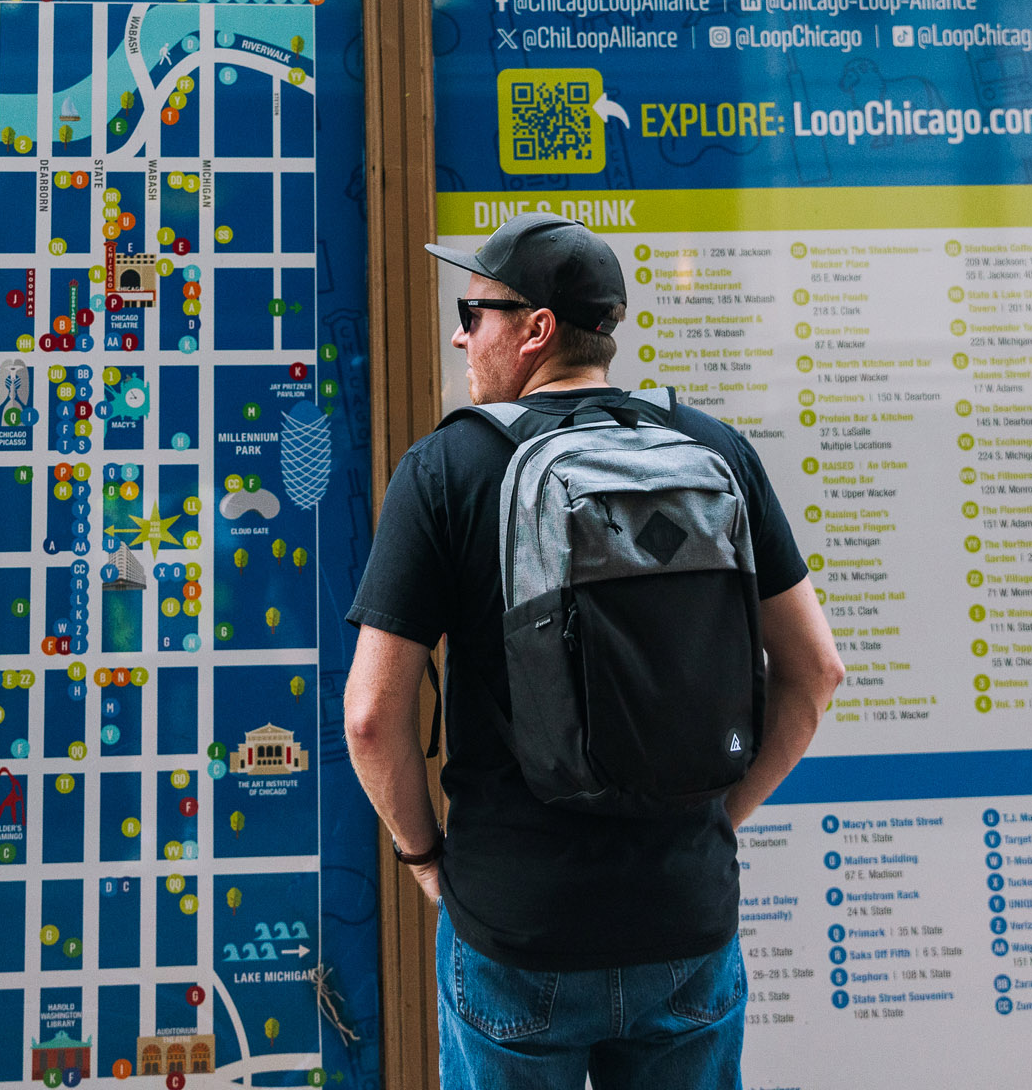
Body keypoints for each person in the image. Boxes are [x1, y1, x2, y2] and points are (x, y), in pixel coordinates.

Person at [344, 214, 845, 1090]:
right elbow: (816, 672)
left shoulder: (447, 469)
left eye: (476, 310)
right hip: (685, 920)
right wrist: (714, 824)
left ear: (535, 329)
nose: (461, 332)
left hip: (518, 924)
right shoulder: (714, 450)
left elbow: (370, 718)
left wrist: (428, 865)